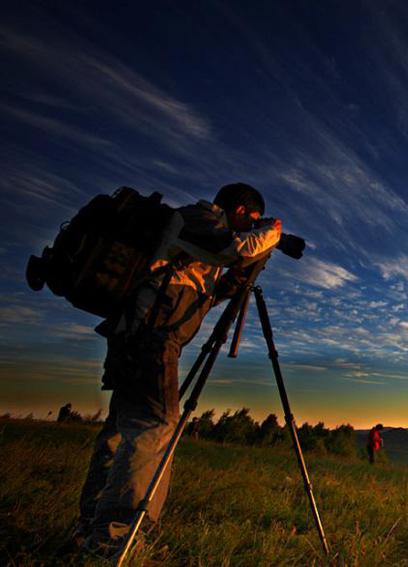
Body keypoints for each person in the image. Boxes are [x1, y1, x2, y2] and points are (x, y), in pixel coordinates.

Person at [74, 183, 282, 556]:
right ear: (239, 210)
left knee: (120, 432)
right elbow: (234, 249)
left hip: (139, 336)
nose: (251, 226)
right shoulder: (198, 218)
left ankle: (91, 527)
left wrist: (234, 283)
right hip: (150, 339)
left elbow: (200, 298)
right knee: (153, 429)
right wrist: (272, 231)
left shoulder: (196, 240)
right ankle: (117, 538)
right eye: (251, 219)